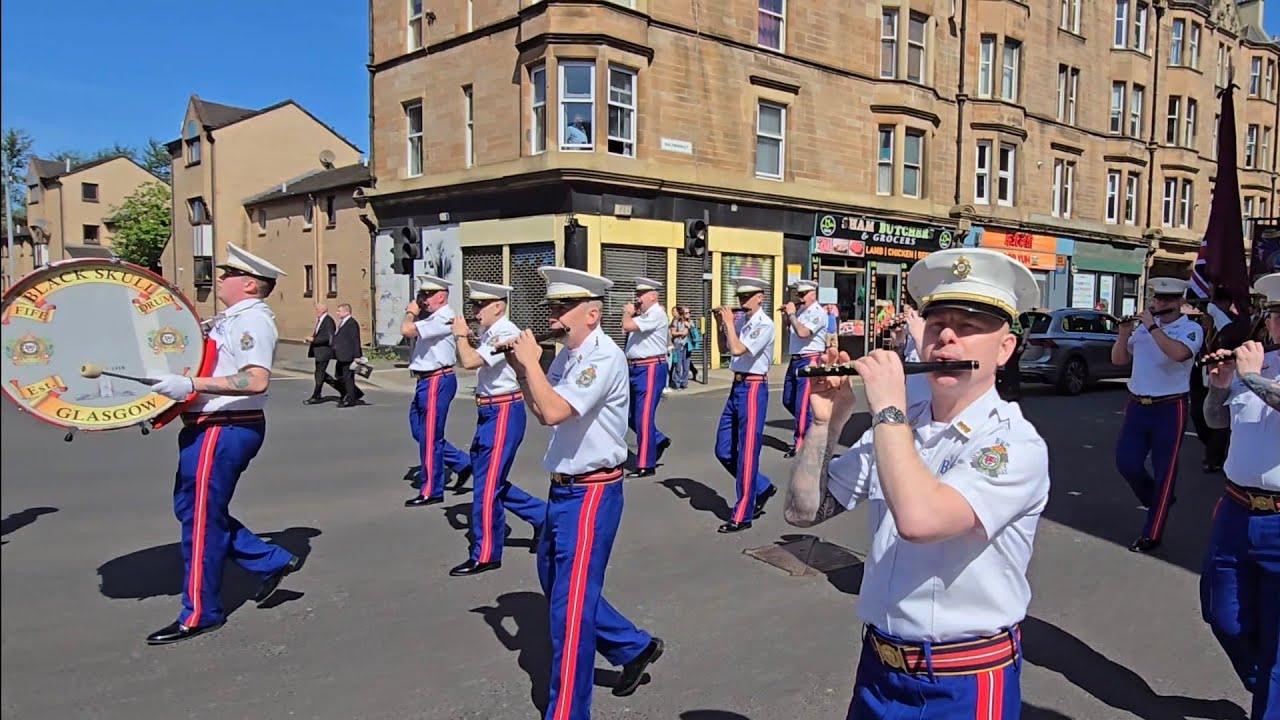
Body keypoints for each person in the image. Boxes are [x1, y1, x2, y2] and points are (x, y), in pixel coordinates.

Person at [783, 248, 1049, 718]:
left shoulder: (1012, 443)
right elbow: (805, 511)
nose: (947, 337)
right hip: (879, 671)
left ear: (1004, 349)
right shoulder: (905, 426)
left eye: (968, 328)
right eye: (937, 324)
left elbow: (919, 520)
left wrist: (886, 406)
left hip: (962, 681)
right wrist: (827, 423)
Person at [503, 266, 663, 720]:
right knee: (557, 585)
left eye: (564, 307)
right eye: (553, 305)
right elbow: (541, 408)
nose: (555, 314)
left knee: (568, 616)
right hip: (563, 490)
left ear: (591, 314)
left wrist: (531, 363)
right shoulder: (568, 354)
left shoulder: (602, 357)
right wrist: (521, 370)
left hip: (592, 493)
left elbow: (553, 411)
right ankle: (634, 647)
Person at [146, 243, 303, 645]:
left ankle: (200, 612)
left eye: (229, 273)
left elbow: (255, 380)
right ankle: (270, 560)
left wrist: (192, 384)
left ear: (250, 284)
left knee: (201, 518)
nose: (220, 278)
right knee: (193, 509)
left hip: (226, 425)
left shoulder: (252, 321)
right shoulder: (229, 319)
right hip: (209, 424)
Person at [1200, 272, 1280, 720]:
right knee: (1222, 616)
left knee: (1277, 651)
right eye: (1274, 316)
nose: (1276, 326)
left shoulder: (1257, 372)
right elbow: (1214, 421)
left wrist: (1247, 378)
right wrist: (1219, 383)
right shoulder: (1260, 364)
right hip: (1235, 510)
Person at [447, 281, 547, 577]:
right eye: (474, 305)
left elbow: (467, 361)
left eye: (481, 305)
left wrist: (459, 337)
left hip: (503, 409)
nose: (476, 311)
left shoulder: (505, 332)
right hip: (489, 410)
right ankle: (541, 515)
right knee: (488, 479)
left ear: (498, 306)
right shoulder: (492, 333)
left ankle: (487, 552)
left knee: (487, 486)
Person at [1110, 277, 1204, 553]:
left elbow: (1179, 354)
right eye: (1157, 299)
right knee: (1126, 462)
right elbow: (1118, 360)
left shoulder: (1190, 329)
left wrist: (1151, 325)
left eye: (1166, 300)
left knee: (1166, 471)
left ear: (1179, 302)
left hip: (1170, 406)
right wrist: (1124, 334)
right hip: (1138, 404)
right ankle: (1158, 500)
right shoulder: (1141, 330)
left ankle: (1152, 532)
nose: (1160, 304)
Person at [713, 276, 777, 533]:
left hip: (753, 387)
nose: (742, 302)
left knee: (748, 452)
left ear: (760, 297)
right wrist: (721, 325)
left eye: (747, 297)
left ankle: (743, 513)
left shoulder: (765, 324)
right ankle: (761, 487)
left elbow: (740, 349)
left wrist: (729, 323)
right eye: (740, 297)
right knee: (724, 449)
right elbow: (725, 349)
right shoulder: (741, 322)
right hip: (737, 385)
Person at [401, 275, 473, 506]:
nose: (423, 300)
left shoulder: (444, 317)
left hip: (436, 380)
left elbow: (407, 330)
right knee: (419, 430)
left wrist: (411, 311)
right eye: (421, 295)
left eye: (428, 295)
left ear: (441, 296)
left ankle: (431, 489)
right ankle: (462, 463)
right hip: (425, 380)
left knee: (430, 436)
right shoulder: (433, 316)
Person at [622, 277, 672, 478]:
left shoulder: (656, 314)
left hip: (650, 367)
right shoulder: (643, 315)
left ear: (653, 296)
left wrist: (627, 313)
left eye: (641, 294)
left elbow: (626, 326)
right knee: (628, 415)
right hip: (635, 368)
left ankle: (646, 463)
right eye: (637, 294)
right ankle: (657, 439)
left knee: (643, 416)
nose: (637, 298)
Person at [781, 279, 829, 458]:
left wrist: (792, 315)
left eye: (803, 294)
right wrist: (787, 316)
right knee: (788, 399)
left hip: (810, 359)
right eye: (798, 294)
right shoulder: (800, 311)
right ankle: (813, 426)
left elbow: (803, 333)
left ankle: (800, 444)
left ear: (813, 294)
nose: (800, 298)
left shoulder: (818, 312)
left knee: (802, 405)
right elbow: (792, 332)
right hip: (795, 359)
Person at [304, 303, 342, 404]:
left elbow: (328, 338)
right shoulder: (321, 320)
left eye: (317, 309)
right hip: (319, 351)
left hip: (324, 351)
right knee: (321, 374)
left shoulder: (328, 321)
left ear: (322, 310)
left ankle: (316, 396)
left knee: (319, 374)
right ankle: (344, 390)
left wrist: (313, 339)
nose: (315, 311)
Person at [332, 303, 365, 408]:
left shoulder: (352, 323)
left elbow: (355, 340)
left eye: (339, 311)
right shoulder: (343, 323)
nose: (337, 313)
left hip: (348, 356)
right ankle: (354, 393)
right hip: (341, 355)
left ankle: (350, 399)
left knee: (348, 378)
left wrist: (357, 356)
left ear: (347, 312)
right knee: (339, 375)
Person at [669, 306, 691, 390]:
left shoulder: (690, 322)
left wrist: (689, 327)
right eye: (686, 313)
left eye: (689, 313)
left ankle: (684, 383)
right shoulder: (676, 321)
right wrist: (682, 332)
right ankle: (677, 383)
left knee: (686, 365)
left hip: (687, 345)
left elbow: (693, 333)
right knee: (678, 365)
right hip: (678, 344)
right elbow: (673, 333)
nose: (688, 314)